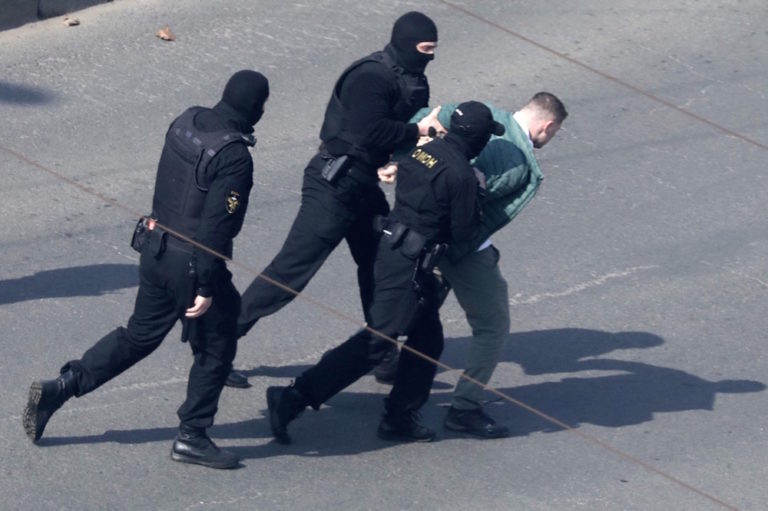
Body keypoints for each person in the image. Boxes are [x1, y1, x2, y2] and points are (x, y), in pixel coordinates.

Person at [22, 70, 270, 469]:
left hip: (155, 247)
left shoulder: (187, 120)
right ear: (256, 109)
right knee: (219, 340)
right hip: (191, 262)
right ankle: (192, 435)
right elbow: (216, 228)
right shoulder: (234, 155)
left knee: (139, 336)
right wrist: (206, 284)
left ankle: (64, 386)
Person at [223, 11, 443, 389]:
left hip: (364, 184)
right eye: (424, 50)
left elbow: (384, 138)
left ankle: (381, 350)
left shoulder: (411, 80)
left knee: (381, 267)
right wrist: (417, 130)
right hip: (334, 184)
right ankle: (220, 344)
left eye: (433, 52)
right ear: (407, 44)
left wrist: (395, 161)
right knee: (291, 273)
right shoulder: (371, 77)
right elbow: (368, 129)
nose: (429, 58)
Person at [265, 101, 505, 444]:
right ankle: (294, 397)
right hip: (411, 262)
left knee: (427, 339)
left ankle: (400, 417)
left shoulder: (426, 152)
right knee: (378, 342)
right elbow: (464, 231)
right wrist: (478, 198)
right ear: (478, 140)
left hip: (393, 247)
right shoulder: (462, 176)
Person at [375, 92, 568, 438]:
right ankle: (465, 407)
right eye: (552, 134)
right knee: (492, 325)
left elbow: (425, 119)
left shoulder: (481, 113)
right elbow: (468, 211)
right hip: (460, 249)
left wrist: (398, 161)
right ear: (548, 125)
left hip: (415, 233)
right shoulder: (519, 163)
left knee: (417, 317)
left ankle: (382, 366)